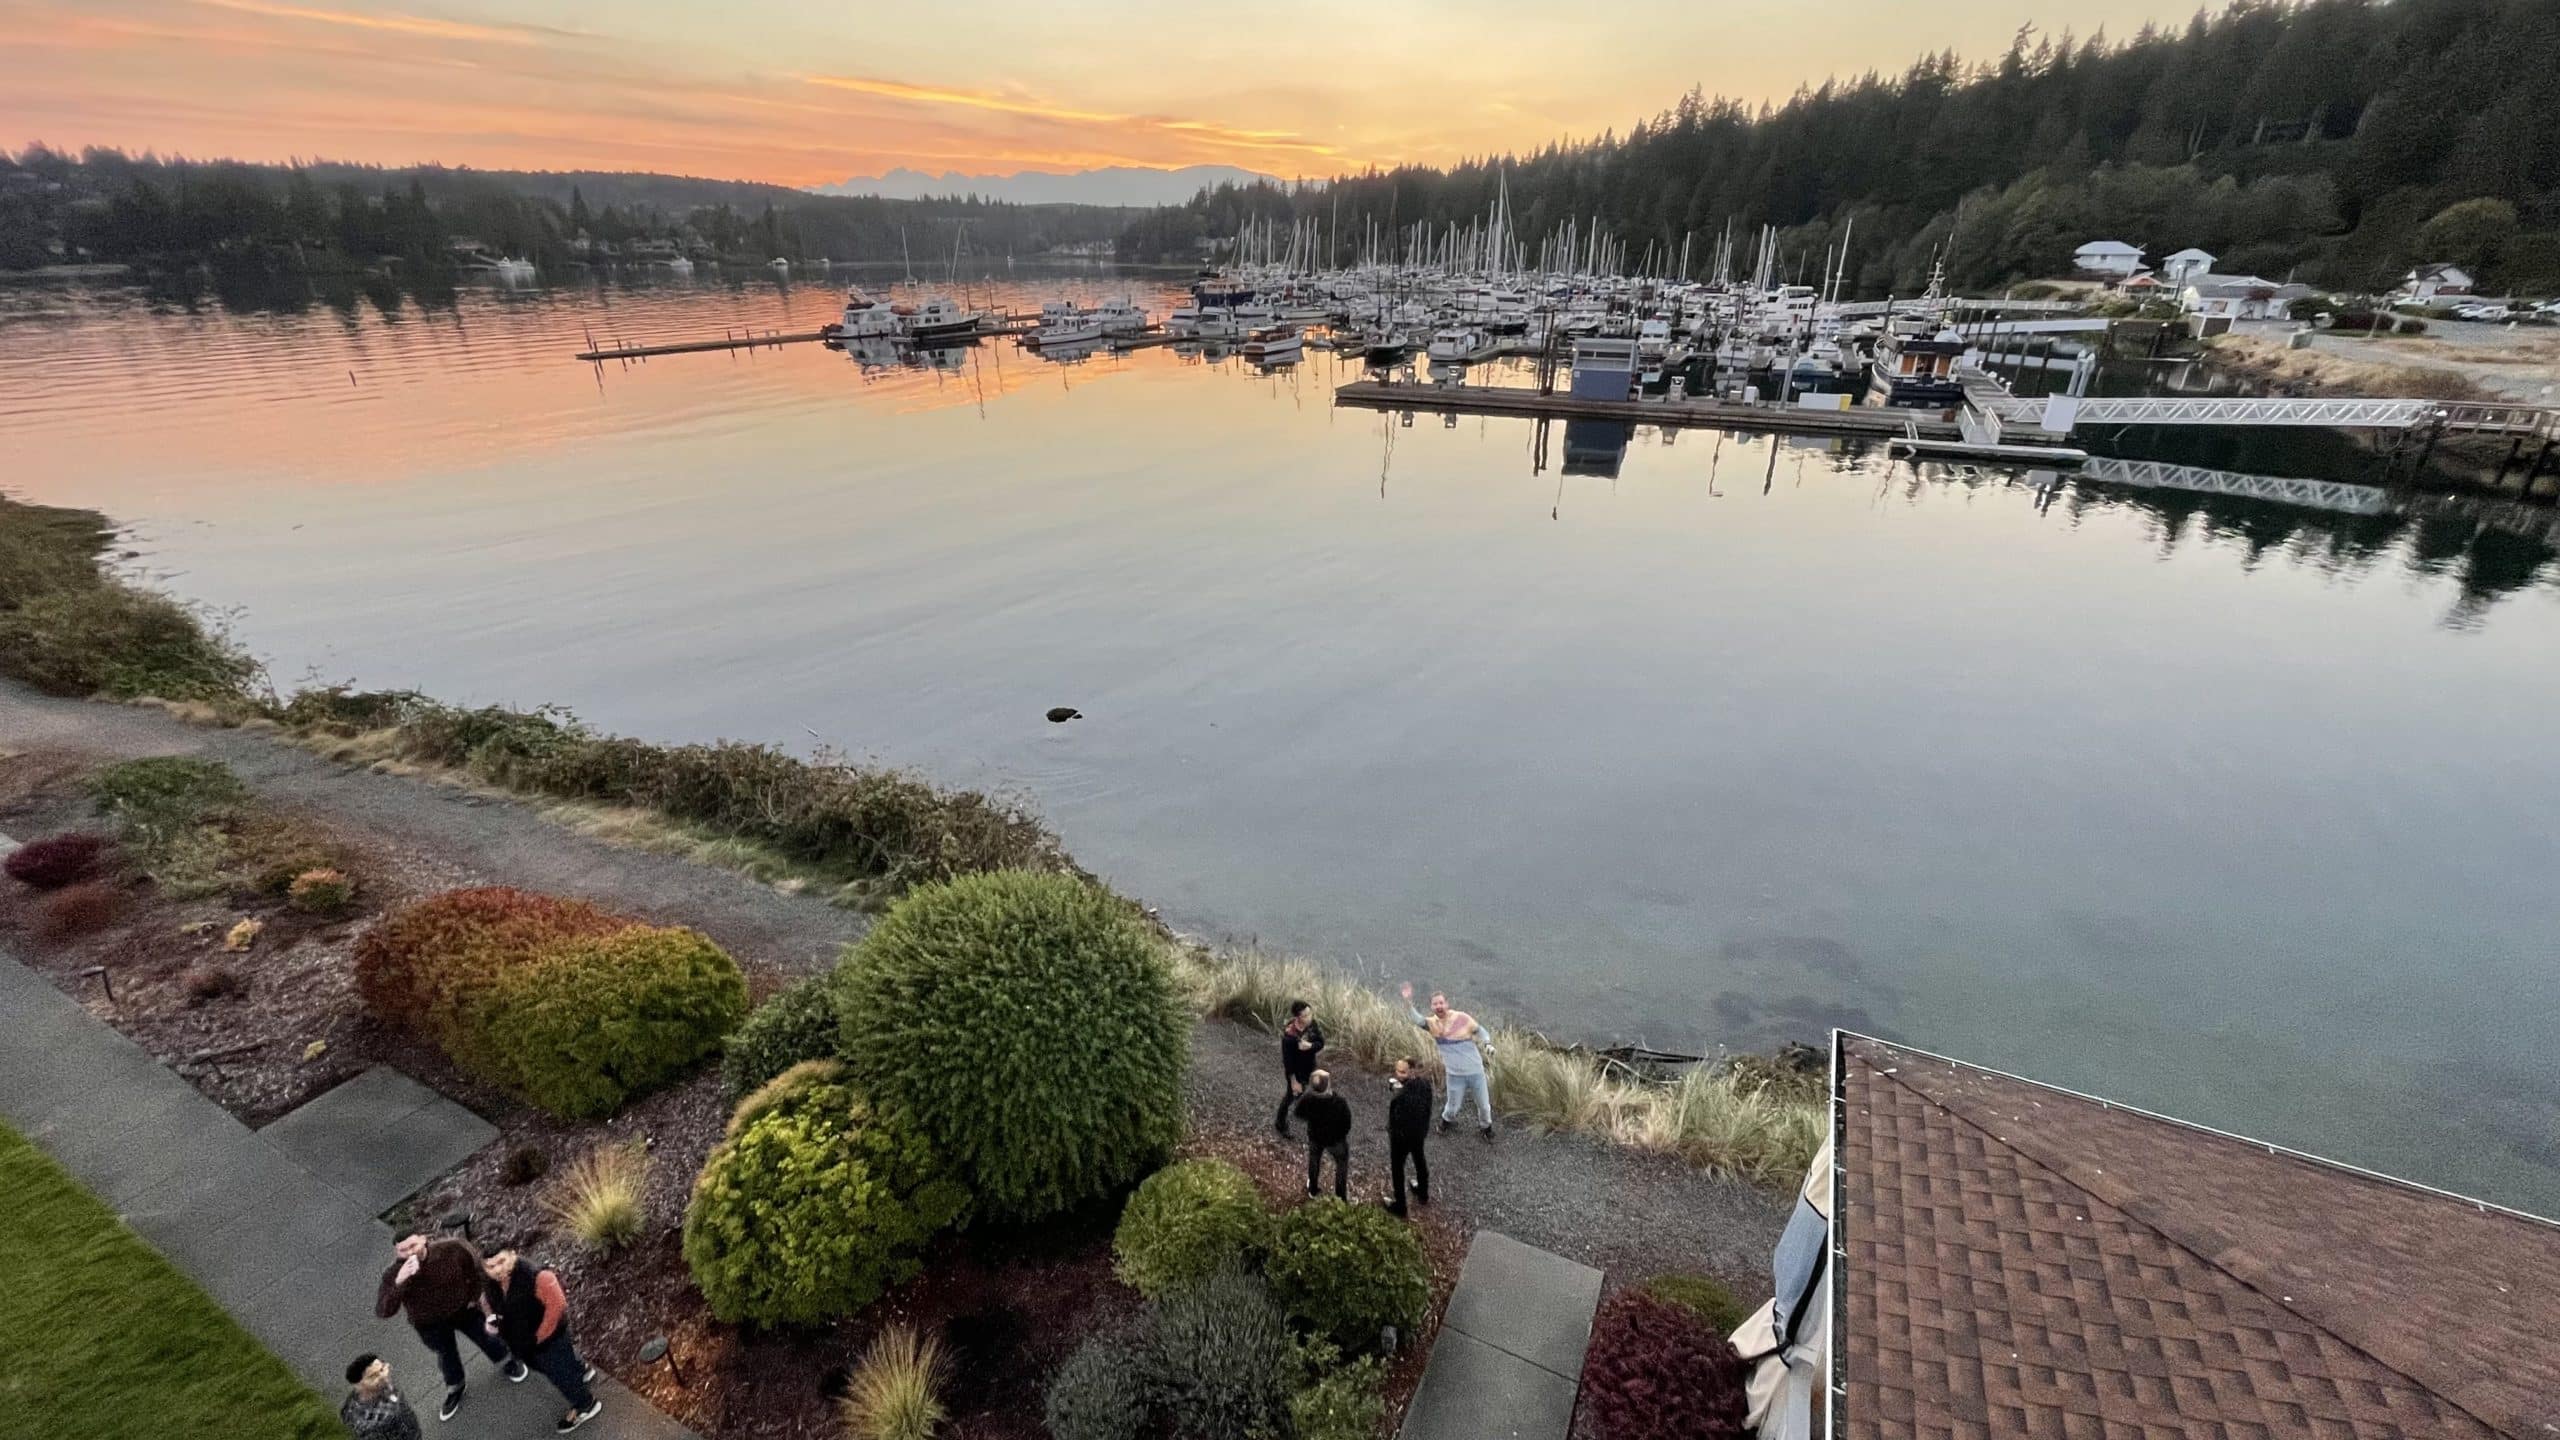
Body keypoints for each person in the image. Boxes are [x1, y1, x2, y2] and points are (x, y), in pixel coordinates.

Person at [375, 1232, 521, 1422]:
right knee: (446, 1354)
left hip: (462, 1309)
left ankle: (507, 1361)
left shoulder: (451, 1249)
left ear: (423, 1239)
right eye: (403, 1250)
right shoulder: (393, 1274)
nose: (410, 1252)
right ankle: (456, 1387)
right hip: (429, 1323)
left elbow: (477, 1268)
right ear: (397, 1251)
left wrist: (473, 1296)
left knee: (486, 1338)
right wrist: (399, 1282)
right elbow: (384, 1310)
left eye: (413, 1245)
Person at [480, 1244, 603, 1434]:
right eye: (490, 1266)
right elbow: (487, 1300)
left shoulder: (538, 1277)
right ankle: (580, 1370)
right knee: (561, 1366)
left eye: (501, 1262)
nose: (497, 1270)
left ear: (512, 1255)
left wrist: (538, 1337)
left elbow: (557, 1306)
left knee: (559, 1373)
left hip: (548, 1341)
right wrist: (492, 1318)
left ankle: (585, 1405)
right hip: (524, 1343)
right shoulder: (492, 1283)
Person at [1401, 981, 1494, 1138]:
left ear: (1447, 1003)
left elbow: (1480, 1030)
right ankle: (1445, 1122)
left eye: (1441, 1003)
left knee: (1484, 1106)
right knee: (1452, 1107)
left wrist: (1487, 1043)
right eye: (1435, 1004)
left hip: (1476, 1073)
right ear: (1432, 1007)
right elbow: (1417, 1020)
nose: (1439, 1006)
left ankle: (1486, 1129)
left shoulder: (1462, 1018)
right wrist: (1407, 1002)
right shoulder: (1432, 1024)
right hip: (1454, 1075)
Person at [1383, 1056, 1433, 1217]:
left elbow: (1401, 1112)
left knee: (1397, 1168)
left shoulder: (1405, 1093)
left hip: (1401, 1137)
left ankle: (1400, 1206)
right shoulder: (1425, 1085)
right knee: (1419, 1159)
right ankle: (1423, 1193)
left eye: (1403, 1072)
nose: (1398, 1074)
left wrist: (1398, 1093)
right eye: (1397, 1070)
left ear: (1412, 1071)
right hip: (1419, 1133)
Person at [1292, 1069, 1353, 1199]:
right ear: (1328, 1084)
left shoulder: (1308, 1098)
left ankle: (1312, 1189)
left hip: (1315, 1137)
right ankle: (1340, 1197)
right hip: (1336, 1141)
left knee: (1314, 1160)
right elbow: (1347, 1124)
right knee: (1341, 1165)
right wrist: (1340, 1135)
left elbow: (1297, 1113)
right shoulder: (1339, 1102)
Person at [1274, 999, 1326, 1137]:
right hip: (1296, 1073)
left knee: (1310, 1090)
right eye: (1306, 1015)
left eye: (1310, 1013)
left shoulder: (1312, 1025)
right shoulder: (1289, 1037)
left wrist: (1311, 1046)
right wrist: (1293, 1082)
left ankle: (1306, 1109)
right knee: (1291, 1097)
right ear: (1298, 1017)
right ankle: (1280, 1123)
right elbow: (1288, 1062)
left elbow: (1321, 1042)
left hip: (1310, 1067)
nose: (1310, 1017)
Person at [341, 1353, 422, 1440]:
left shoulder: (383, 1388)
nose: (383, 1376)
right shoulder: (366, 1423)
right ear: (359, 1385)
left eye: (382, 1369)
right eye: (373, 1376)